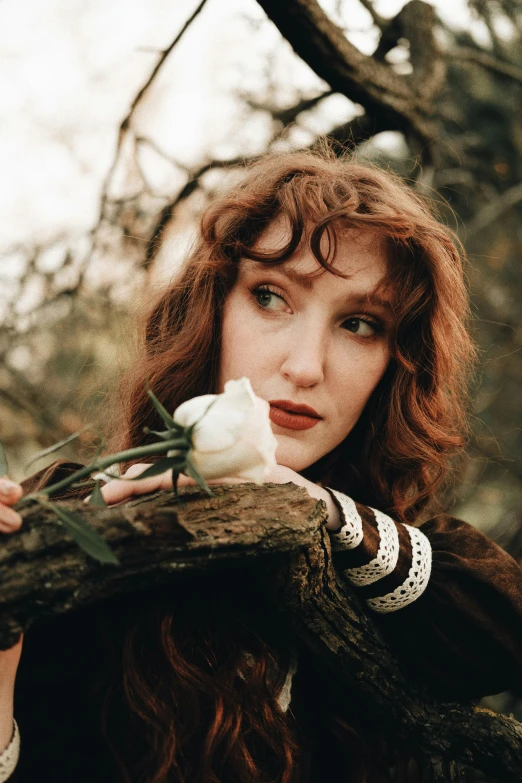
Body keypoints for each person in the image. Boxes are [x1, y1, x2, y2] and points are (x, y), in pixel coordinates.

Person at [0, 144, 521, 783]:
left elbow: (505, 633)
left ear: (395, 364)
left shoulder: (391, 553)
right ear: (213, 309)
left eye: (359, 324)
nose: (304, 366)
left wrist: (313, 512)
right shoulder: (78, 513)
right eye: (271, 297)